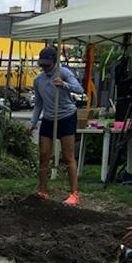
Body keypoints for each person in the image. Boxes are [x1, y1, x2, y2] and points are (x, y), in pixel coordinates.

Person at [31, 46, 84, 206]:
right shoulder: (38, 80)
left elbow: (80, 89)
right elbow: (38, 104)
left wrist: (64, 85)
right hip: (48, 118)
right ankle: (43, 190)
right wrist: (33, 123)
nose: (45, 67)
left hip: (66, 116)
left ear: (55, 61)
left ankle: (74, 194)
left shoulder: (64, 73)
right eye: (43, 64)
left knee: (68, 156)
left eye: (48, 64)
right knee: (44, 155)